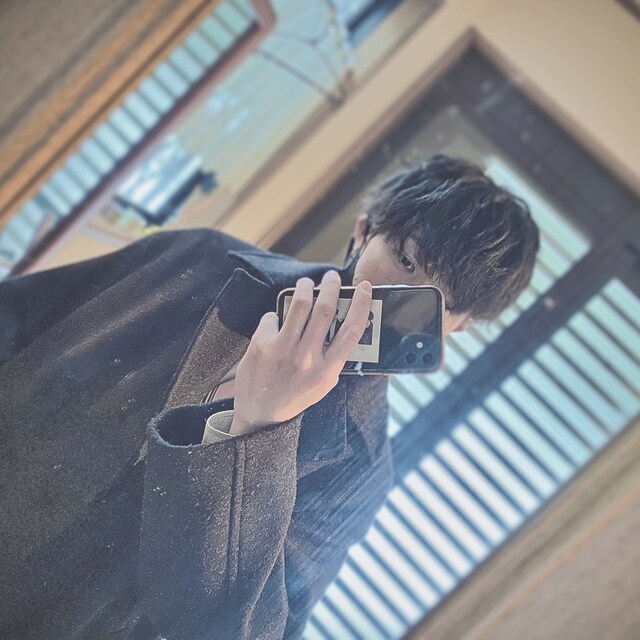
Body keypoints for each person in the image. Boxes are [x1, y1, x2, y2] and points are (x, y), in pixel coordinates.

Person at [0, 154, 539, 639]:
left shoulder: (359, 469)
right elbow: (18, 316)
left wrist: (259, 429)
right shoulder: (203, 258)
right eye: (406, 260)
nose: (401, 300)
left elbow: (241, 631)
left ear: (459, 326)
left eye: (439, 302)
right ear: (364, 231)